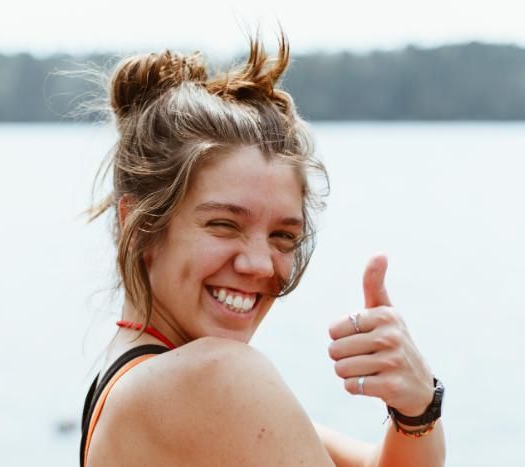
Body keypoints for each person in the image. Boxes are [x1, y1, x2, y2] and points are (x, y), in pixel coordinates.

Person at [80, 33, 446, 467]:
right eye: (223, 225)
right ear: (138, 225)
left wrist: (417, 406)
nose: (257, 264)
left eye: (282, 237)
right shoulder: (215, 377)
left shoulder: (128, 380)